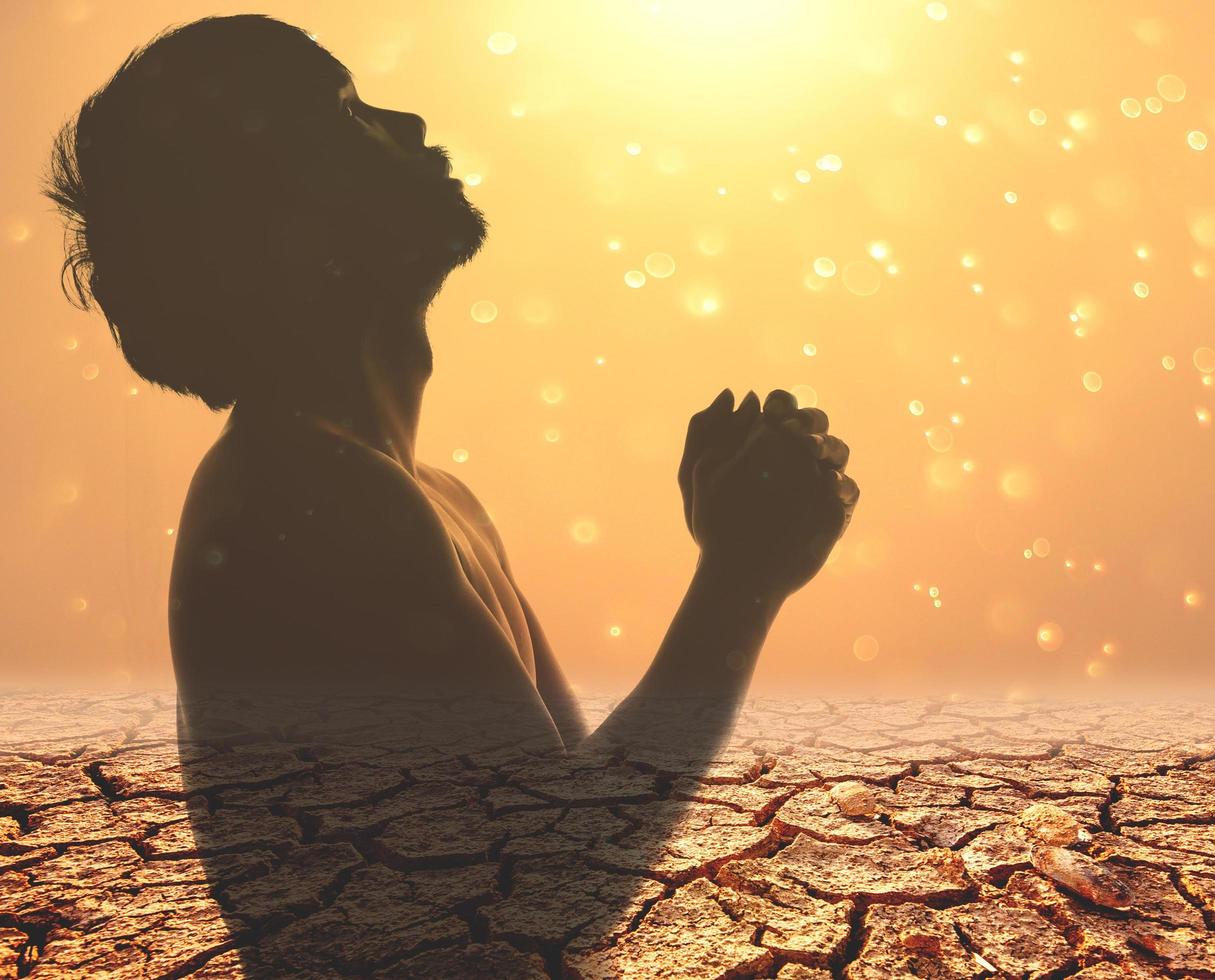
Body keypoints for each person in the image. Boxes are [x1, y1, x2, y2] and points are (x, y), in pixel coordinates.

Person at [44, 14, 860, 755]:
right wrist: (741, 577)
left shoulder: (424, 496)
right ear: (279, 224)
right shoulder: (301, 497)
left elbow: (561, 798)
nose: (410, 124)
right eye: (346, 115)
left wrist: (738, 558)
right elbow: (556, 877)